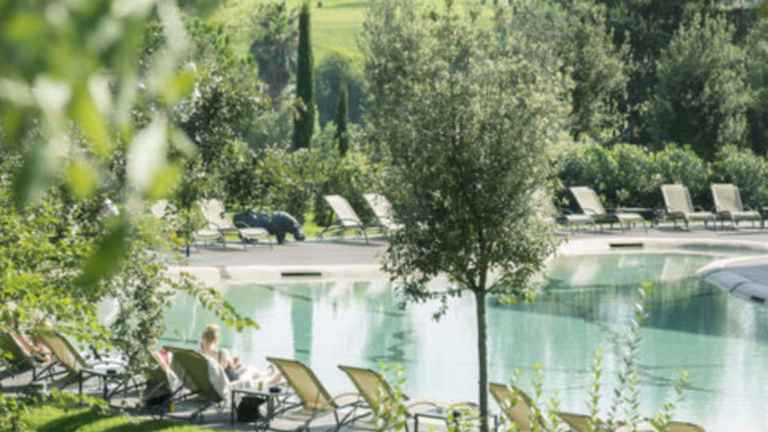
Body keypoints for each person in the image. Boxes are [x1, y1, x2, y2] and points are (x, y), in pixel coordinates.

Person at [198, 324, 281, 386]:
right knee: (251, 370)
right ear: (216, 339)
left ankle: (267, 372)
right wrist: (234, 364)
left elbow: (219, 370)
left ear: (203, 338)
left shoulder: (199, 354)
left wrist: (234, 364)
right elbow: (221, 372)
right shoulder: (222, 353)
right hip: (233, 382)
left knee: (246, 369)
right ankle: (270, 377)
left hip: (216, 382)